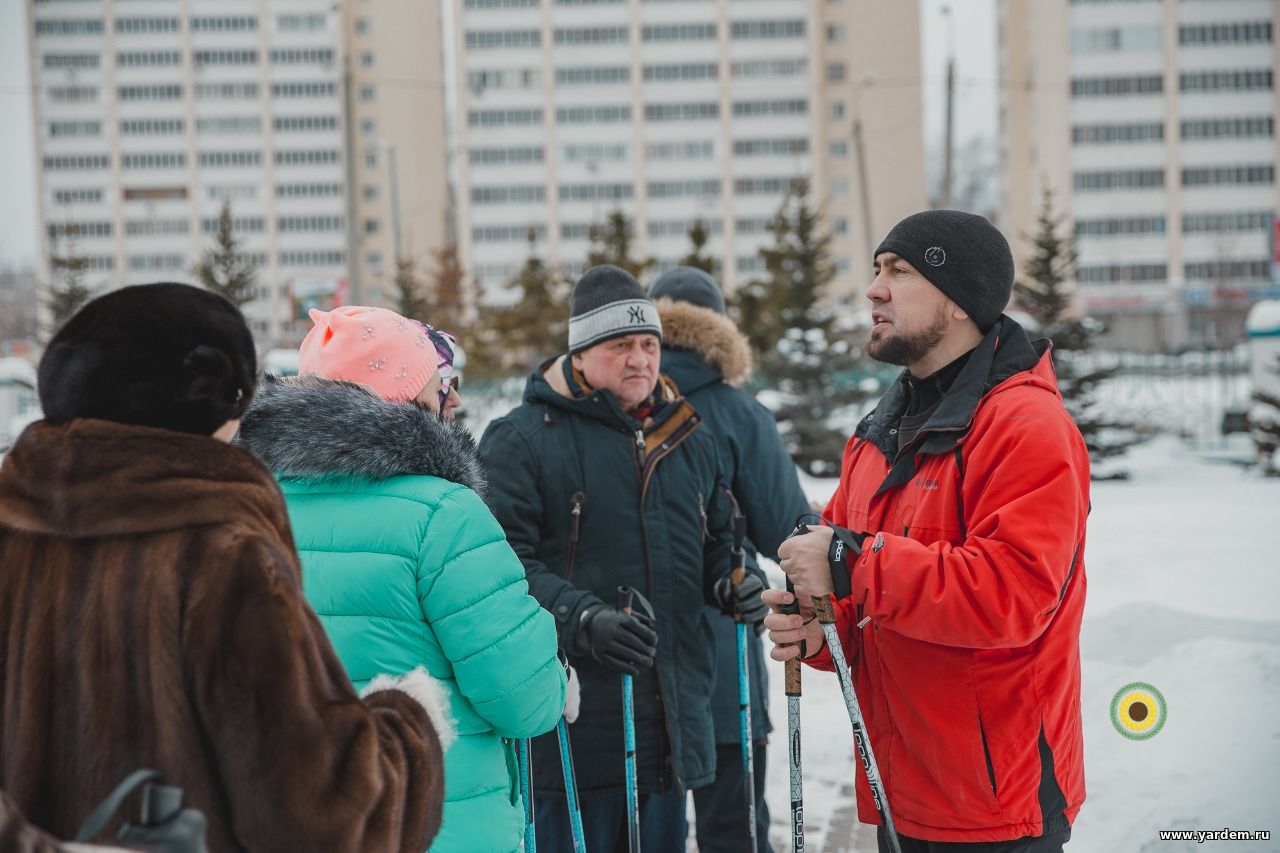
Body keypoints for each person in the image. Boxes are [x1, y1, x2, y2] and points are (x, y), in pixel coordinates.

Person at [0, 284, 449, 852]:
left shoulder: (12, 531)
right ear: (218, 398)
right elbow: (323, 815)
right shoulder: (221, 549)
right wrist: (409, 724)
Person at [765, 211, 1090, 853]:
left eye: (901, 272)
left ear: (960, 302)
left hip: (996, 810)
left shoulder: (1025, 427)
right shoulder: (878, 435)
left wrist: (851, 564)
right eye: (879, 269)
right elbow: (870, 611)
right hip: (901, 794)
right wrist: (819, 632)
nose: (874, 289)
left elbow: (1014, 597)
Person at [236, 305, 569, 853]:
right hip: (431, 824)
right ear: (402, 393)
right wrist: (552, 666)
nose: (456, 400)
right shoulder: (445, 514)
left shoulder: (246, 506)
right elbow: (523, 700)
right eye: (443, 384)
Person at [477, 265, 769, 851]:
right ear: (580, 355)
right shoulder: (523, 439)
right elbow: (502, 567)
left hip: (667, 731)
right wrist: (580, 619)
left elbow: (718, 539)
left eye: (648, 344)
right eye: (620, 346)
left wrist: (737, 578)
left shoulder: (688, 435)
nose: (639, 359)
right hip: (574, 733)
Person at [649, 267, 809, 853]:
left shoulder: (614, 409)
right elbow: (790, 535)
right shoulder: (740, 414)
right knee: (733, 831)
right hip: (724, 665)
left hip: (631, 663)